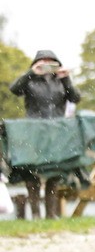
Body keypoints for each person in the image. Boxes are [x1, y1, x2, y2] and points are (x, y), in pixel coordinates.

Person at [8, 49, 81, 219]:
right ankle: (35, 213)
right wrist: (31, 73)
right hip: (34, 131)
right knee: (31, 171)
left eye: (51, 62)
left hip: (56, 131)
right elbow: (14, 89)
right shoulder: (30, 80)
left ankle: (50, 213)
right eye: (43, 62)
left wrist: (66, 79)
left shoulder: (61, 81)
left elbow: (76, 98)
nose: (47, 66)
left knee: (54, 172)